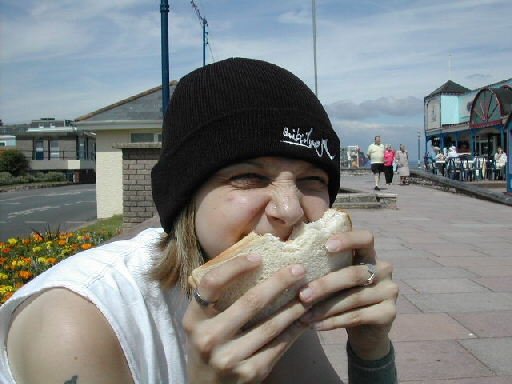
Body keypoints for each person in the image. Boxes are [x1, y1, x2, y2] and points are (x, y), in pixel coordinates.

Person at [0, 58, 398, 384]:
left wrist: (371, 351)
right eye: (249, 177)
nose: (290, 209)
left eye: (313, 180)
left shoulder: (264, 297)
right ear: (187, 196)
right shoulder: (75, 323)